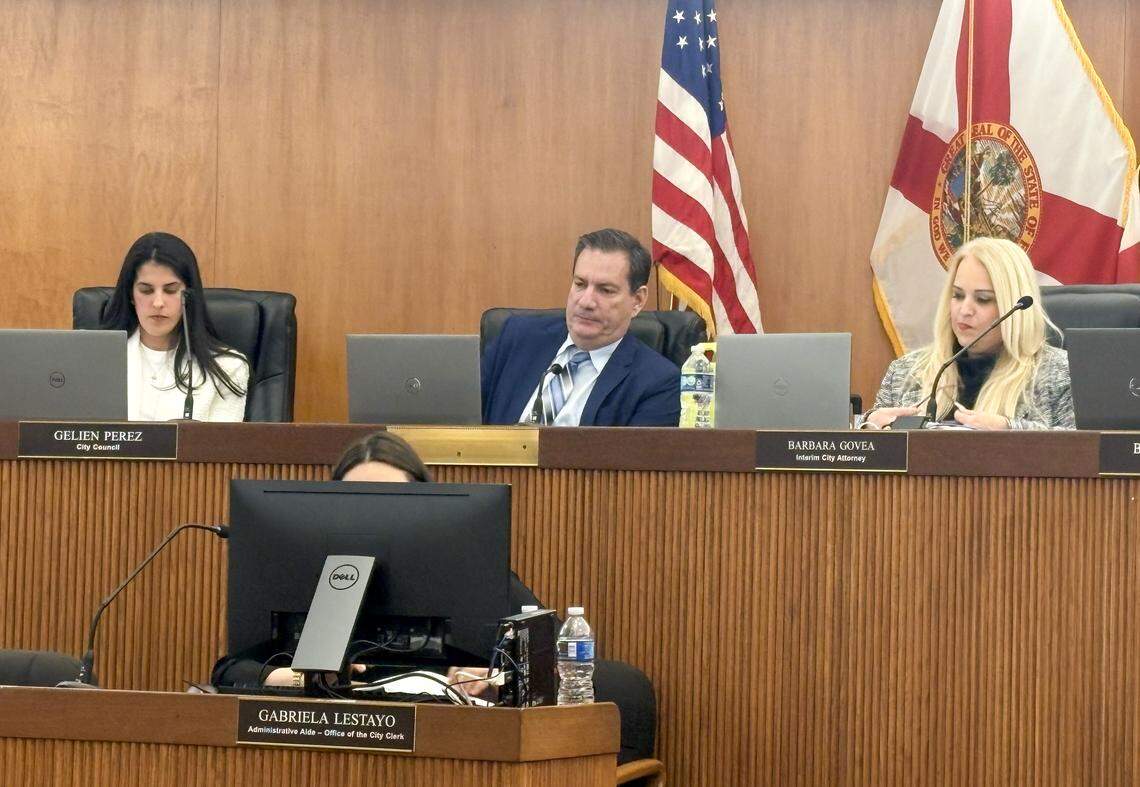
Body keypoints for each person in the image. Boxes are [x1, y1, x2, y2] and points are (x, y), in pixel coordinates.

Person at [211, 431, 543, 690]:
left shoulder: (473, 572)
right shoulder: (308, 571)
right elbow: (230, 671)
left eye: (390, 502)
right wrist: (299, 678)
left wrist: (494, 679)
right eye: (357, 502)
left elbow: (567, 666)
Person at [864, 236, 1074, 430]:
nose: (964, 311)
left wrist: (1011, 430)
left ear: (1015, 308)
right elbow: (865, 459)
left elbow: (1084, 451)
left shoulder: (1063, 375)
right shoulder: (905, 373)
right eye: (957, 295)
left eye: (982, 299)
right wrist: (869, 428)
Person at [481, 228, 681, 426]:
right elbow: (462, 420)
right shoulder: (517, 337)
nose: (586, 301)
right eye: (580, 284)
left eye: (605, 290)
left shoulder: (657, 383)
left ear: (637, 300)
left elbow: (631, 458)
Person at [101, 232, 249, 421]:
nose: (158, 302)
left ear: (189, 295)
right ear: (130, 294)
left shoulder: (229, 368)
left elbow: (221, 449)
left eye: (171, 290)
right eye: (146, 290)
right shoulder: (97, 361)